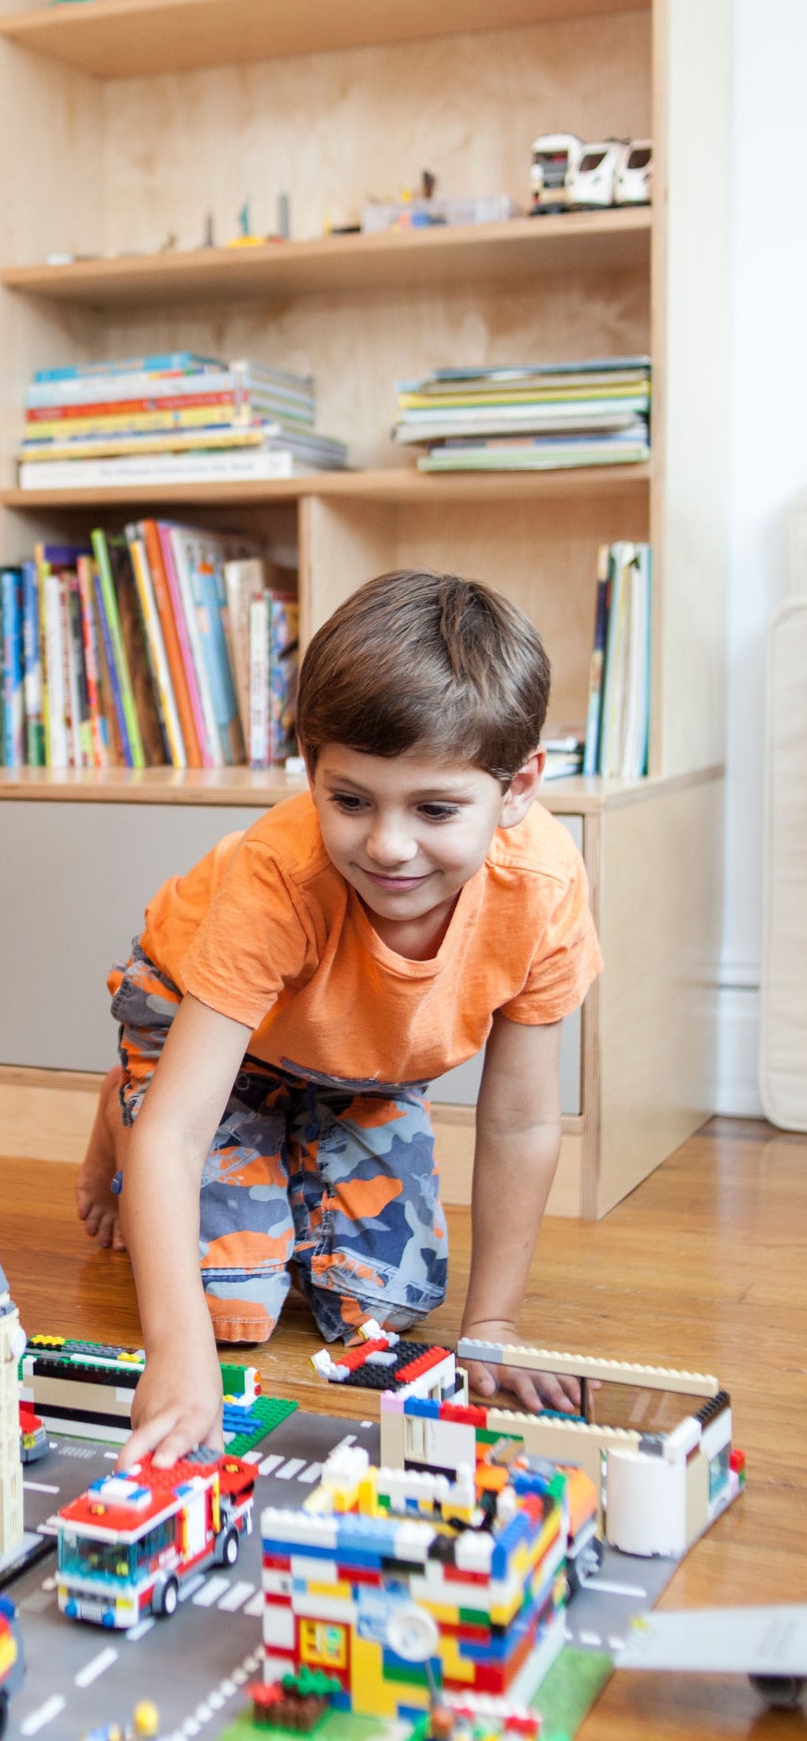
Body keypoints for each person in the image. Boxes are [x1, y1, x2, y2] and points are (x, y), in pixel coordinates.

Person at [77, 570, 601, 1465]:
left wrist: (493, 1325)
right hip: (202, 1025)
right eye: (350, 800)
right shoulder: (278, 876)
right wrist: (177, 1352)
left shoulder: (544, 888)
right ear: (309, 765)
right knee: (228, 1309)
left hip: (357, 1059)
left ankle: (287, 1129)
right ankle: (124, 1100)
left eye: (435, 809)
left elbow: (519, 1122)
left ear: (518, 787)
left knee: (389, 1308)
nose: (388, 846)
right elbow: (179, 1132)